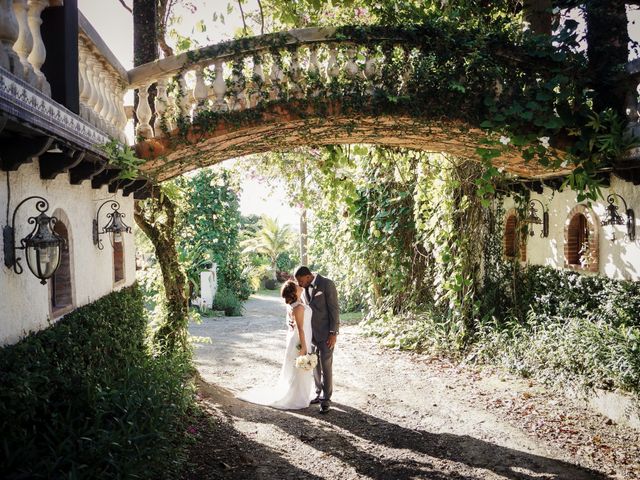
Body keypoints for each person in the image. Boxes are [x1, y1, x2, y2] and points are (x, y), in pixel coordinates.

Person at [238, 280, 315, 409]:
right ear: (294, 292)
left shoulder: (297, 304)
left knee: (298, 369)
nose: (299, 285)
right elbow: (301, 328)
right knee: (299, 369)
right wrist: (304, 347)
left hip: (298, 338)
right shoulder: (299, 307)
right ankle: (296, 398)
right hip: (300, 340)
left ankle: (300, 396)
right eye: (296, 285)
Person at [294, 266, 340, 414]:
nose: (300, 285)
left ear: (308, 276)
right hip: (311, 334)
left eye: (301, 281)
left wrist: (333, 333)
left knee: (326, 366)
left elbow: (334, 309)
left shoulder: (327, 284)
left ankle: (326, 399)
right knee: (314, 364)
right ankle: (318, 392)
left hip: (326, 334)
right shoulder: (304, 287)